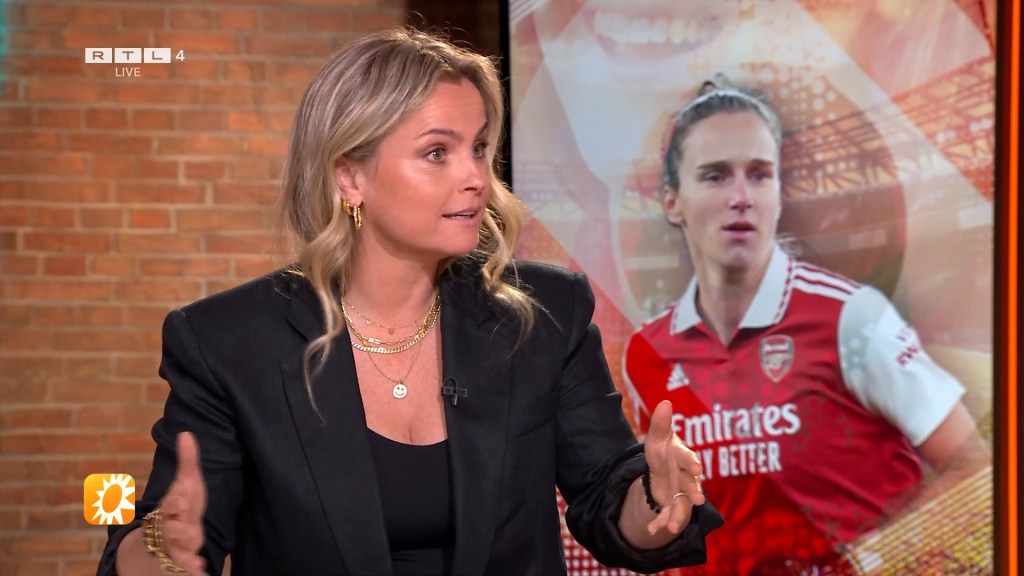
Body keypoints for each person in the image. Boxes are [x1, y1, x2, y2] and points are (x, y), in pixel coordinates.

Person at [96, 28, 724, 576]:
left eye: (479, 148)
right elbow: (166, 534)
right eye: (436, 153)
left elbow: (607, 499)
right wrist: (158, 553)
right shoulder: (227, 342)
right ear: (350, 176)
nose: (476, 177)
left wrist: (654, 502)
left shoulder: (544, 314)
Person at [622, 81, 992, 575]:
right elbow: (665, 519)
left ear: (779, 194)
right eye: (715, 176)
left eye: (760, 175)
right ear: (672, 203)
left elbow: (974, 470)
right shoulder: (645, 353)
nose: (741, 197)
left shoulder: (853, 319)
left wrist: (877, 563)